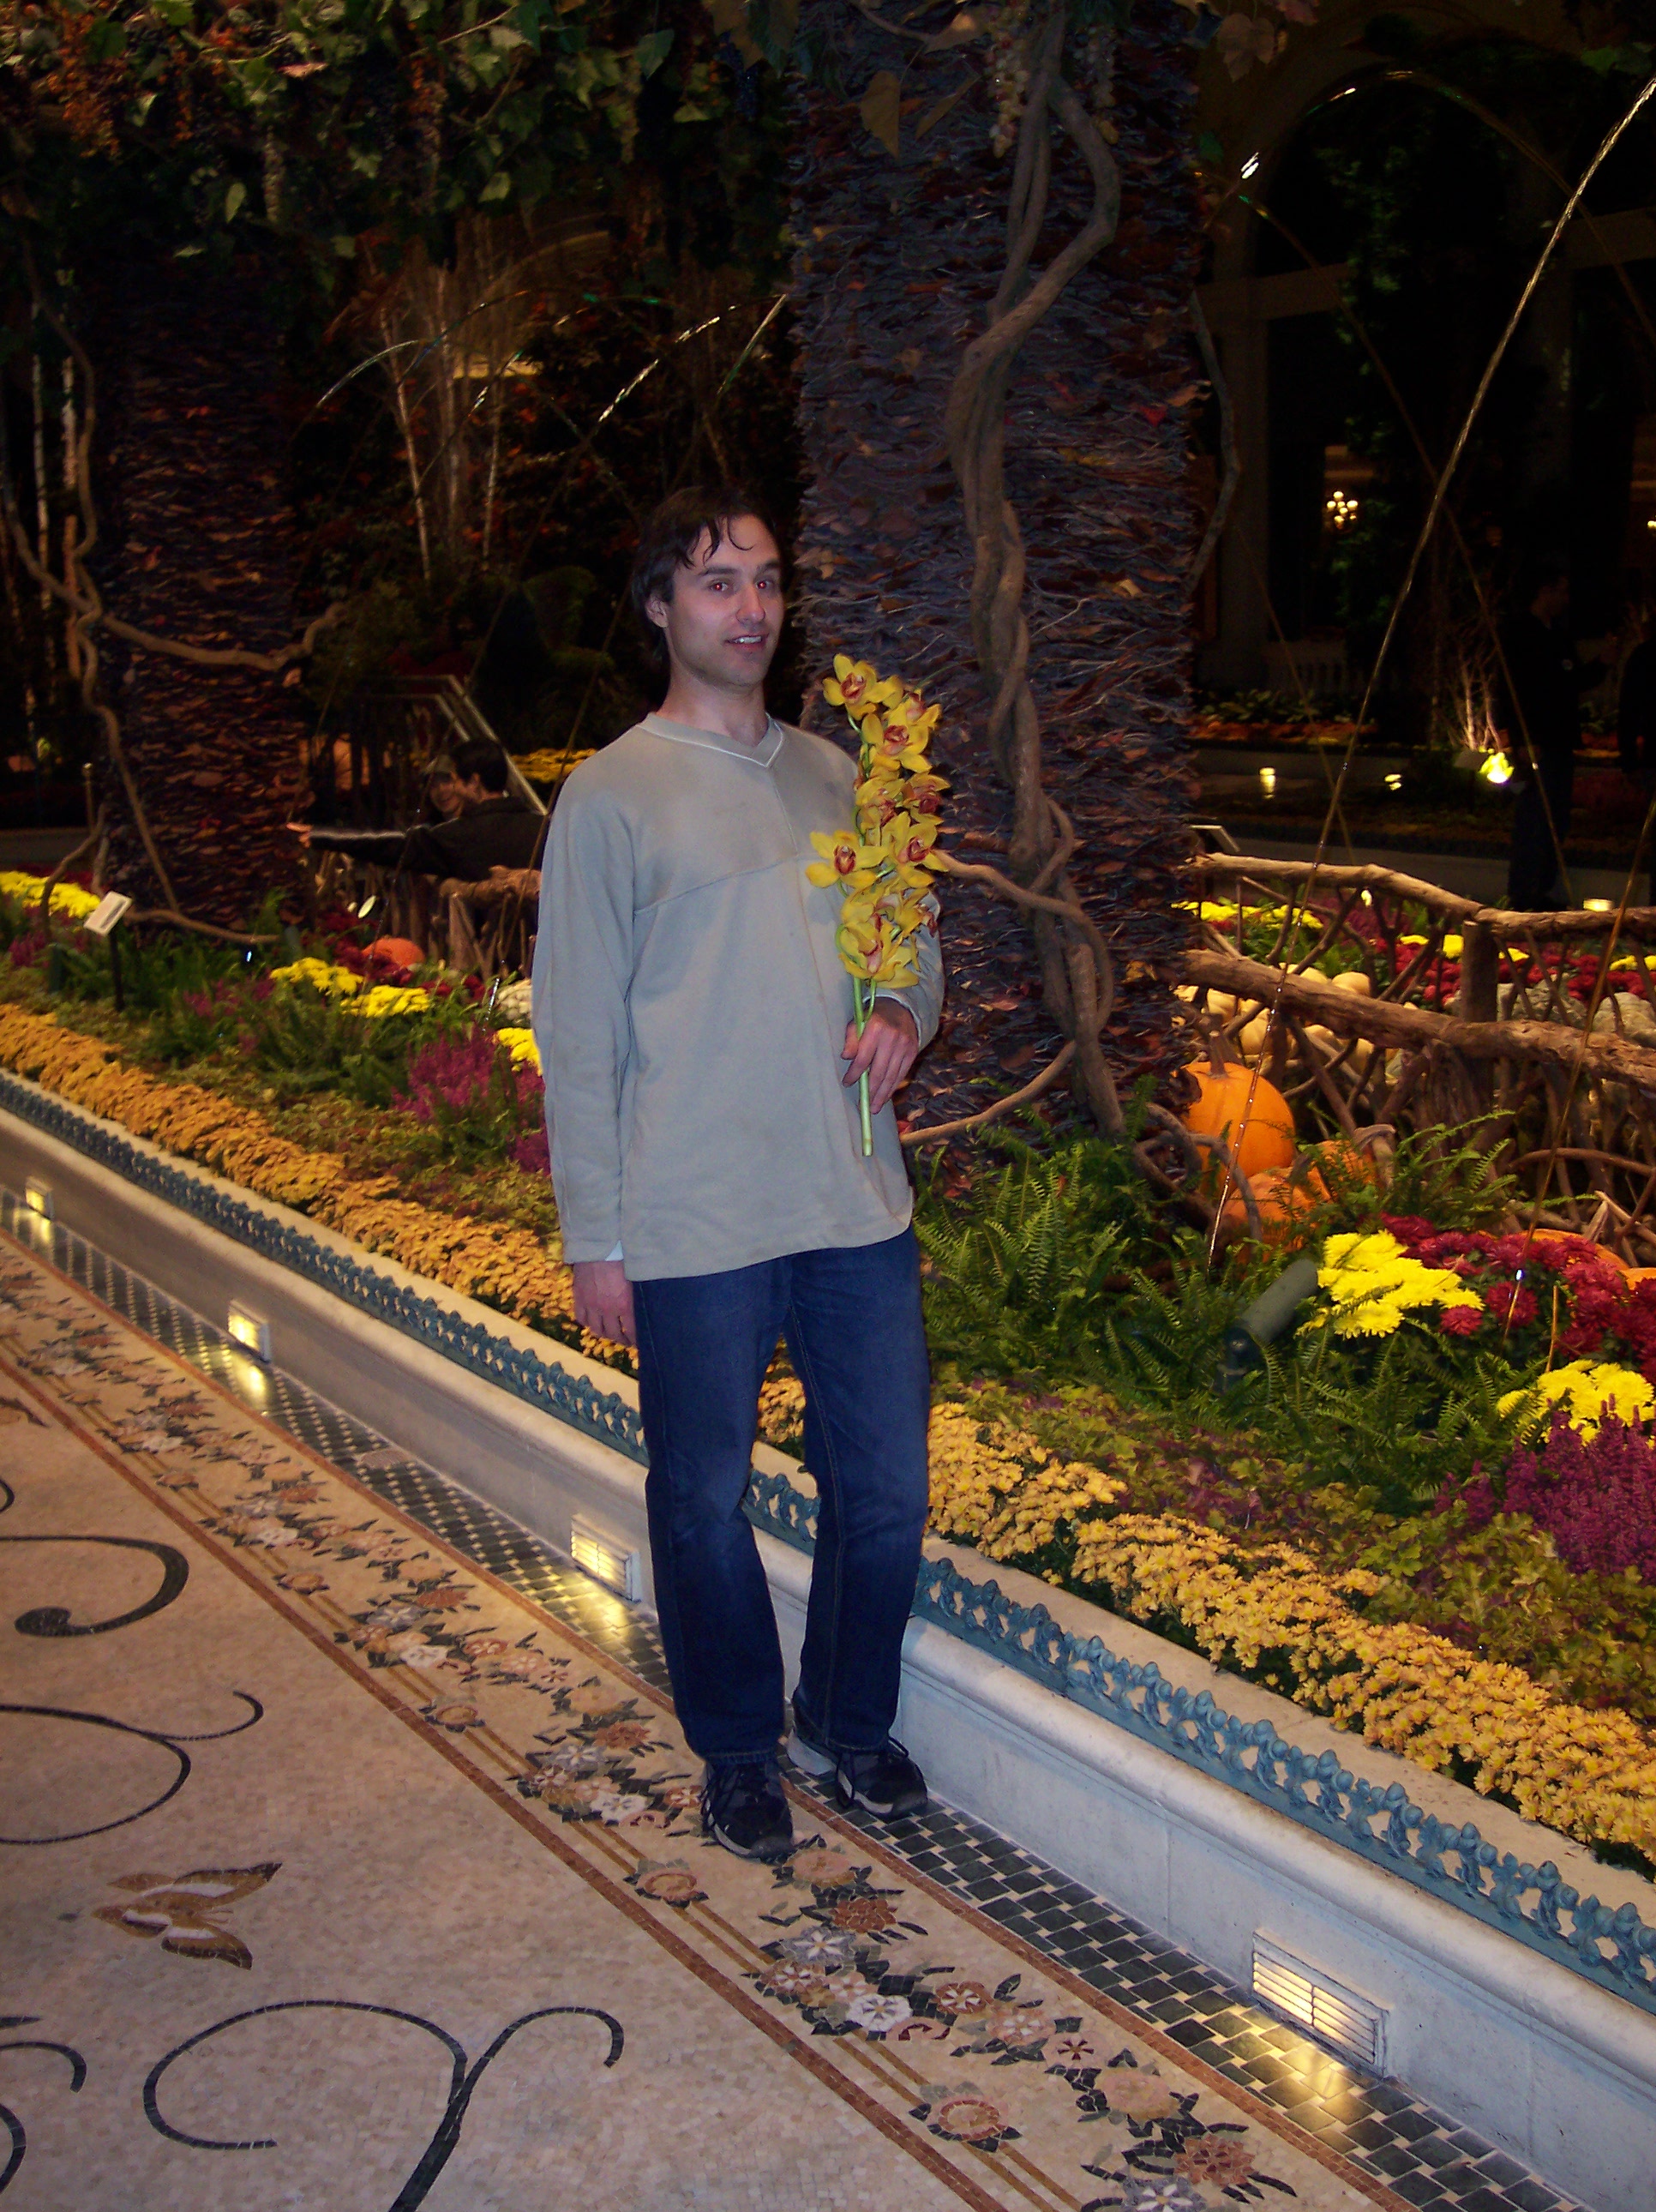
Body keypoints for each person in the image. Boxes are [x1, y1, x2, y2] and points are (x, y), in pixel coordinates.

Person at [532, 485, 944, 1863]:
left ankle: (847, 1717)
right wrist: (596, 1236)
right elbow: (578, 1035)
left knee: (886, 1491)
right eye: (717, 581)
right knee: (702, 1501)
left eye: (765, 578)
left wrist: (905, 1009)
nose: (750, 606)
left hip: (852, 1199)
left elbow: (911, 942)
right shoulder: (610, 796)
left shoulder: (840, 776)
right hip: (693, 1217)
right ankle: (736, 1748)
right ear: (661, 606)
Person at [1501, 561, 1604, 910]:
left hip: (1559, 739)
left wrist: (1602, 665)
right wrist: (1520, 739)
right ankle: (1524, 892)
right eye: (1561, 590)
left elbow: (1569, 682)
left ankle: (1542, 888)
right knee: (1535, 817)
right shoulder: (1520, 634)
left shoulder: (1558, 635)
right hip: (1537, 741)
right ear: (1545, 591)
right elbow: (1514, 690)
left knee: (1556, 817)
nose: (1566, 598)